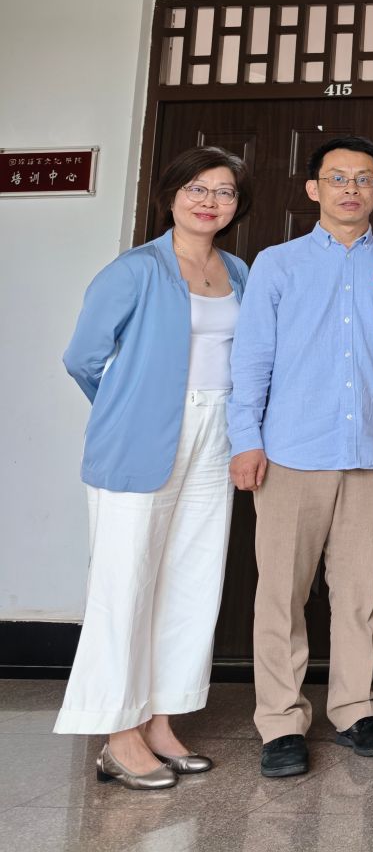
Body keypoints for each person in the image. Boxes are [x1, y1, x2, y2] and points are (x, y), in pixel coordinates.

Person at [56, 147, 251, 790]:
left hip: (216, 435)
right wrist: (129, 407)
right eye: (196, 188)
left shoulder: (238, 271)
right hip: (140, 440)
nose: (209, 201)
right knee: (125, 585)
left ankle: (161, 722)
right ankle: (119, 735)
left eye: (223, 192)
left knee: (192, 580)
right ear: (170, 195)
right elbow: (83, 358)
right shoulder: (136, 269)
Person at [228, 135, 373, 779]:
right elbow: (251, 358)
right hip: (290, 453)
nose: (350, 189)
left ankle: (356, 709)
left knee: (360, 592)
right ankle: (281, 721)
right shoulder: (277, 264)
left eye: (363, 179)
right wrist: (245, 439)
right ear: (314, 189)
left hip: (371, 453)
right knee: (281, 595)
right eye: (337, 178)